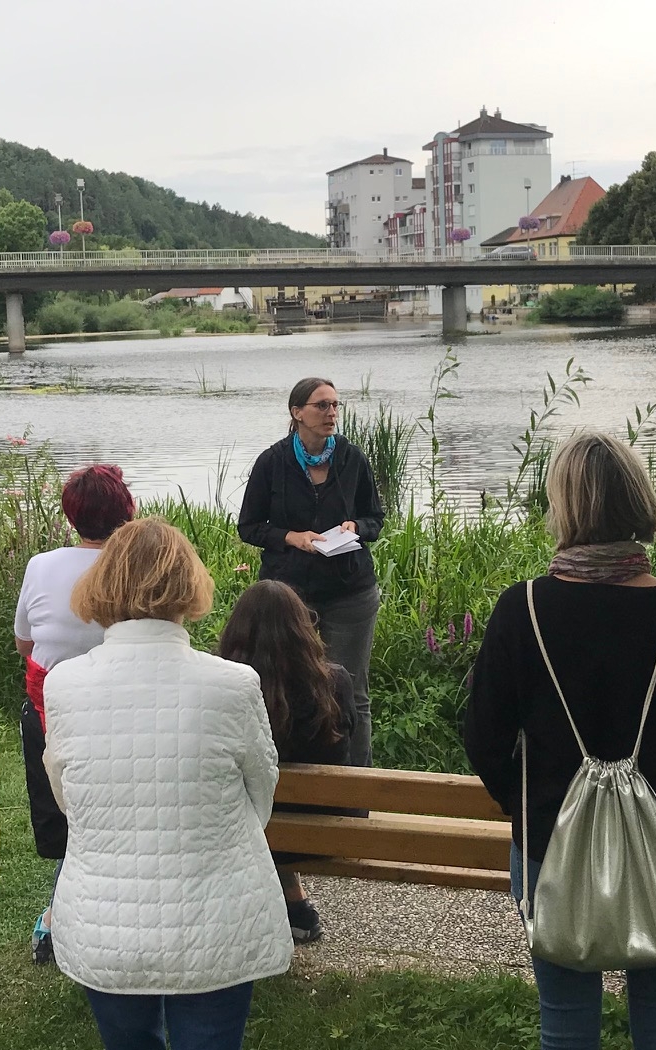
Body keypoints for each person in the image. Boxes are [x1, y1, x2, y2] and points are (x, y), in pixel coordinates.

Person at [464, 431, 656, 1050]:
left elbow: (483, 736)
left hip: (549, 841)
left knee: (564, 1020)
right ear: (639, 500)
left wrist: (532, 806)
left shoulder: (524, 609)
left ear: (563, 505)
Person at [43, 518, 292, 1049]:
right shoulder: (234, 684)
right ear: (188, 586)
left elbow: (67, 794)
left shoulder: (63, 685)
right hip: (217, 922)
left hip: (104, 924)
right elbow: (261, 795)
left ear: (102, 585)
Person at [14, 464, 135, 965]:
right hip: (123, 713)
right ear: (127, 511)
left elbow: (25, 642)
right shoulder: (139, 565)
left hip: (52, 719)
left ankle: (59, 912)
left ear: (71, 515)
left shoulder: (41, 565)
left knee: (71, 824)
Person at [238, 377, 384, 767]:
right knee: (285, 685)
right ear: (297, 412)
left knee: (352, 692)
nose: (331, 412)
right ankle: (290, 775)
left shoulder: (352, 459)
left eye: (336, 405)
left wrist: (357, 528)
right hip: (291, 596)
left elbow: (376, 519)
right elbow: (249, 527)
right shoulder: (273, 461)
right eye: (322, 405)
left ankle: (358, 788)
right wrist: (291, 537)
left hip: (350, 591)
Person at [218, 579, 356, 946]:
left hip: (249, 825)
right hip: (325, 829)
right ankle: (296, 907)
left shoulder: (224, 687)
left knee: (251, 798)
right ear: (303, 628)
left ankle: (289, 906)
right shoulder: (335, 682)